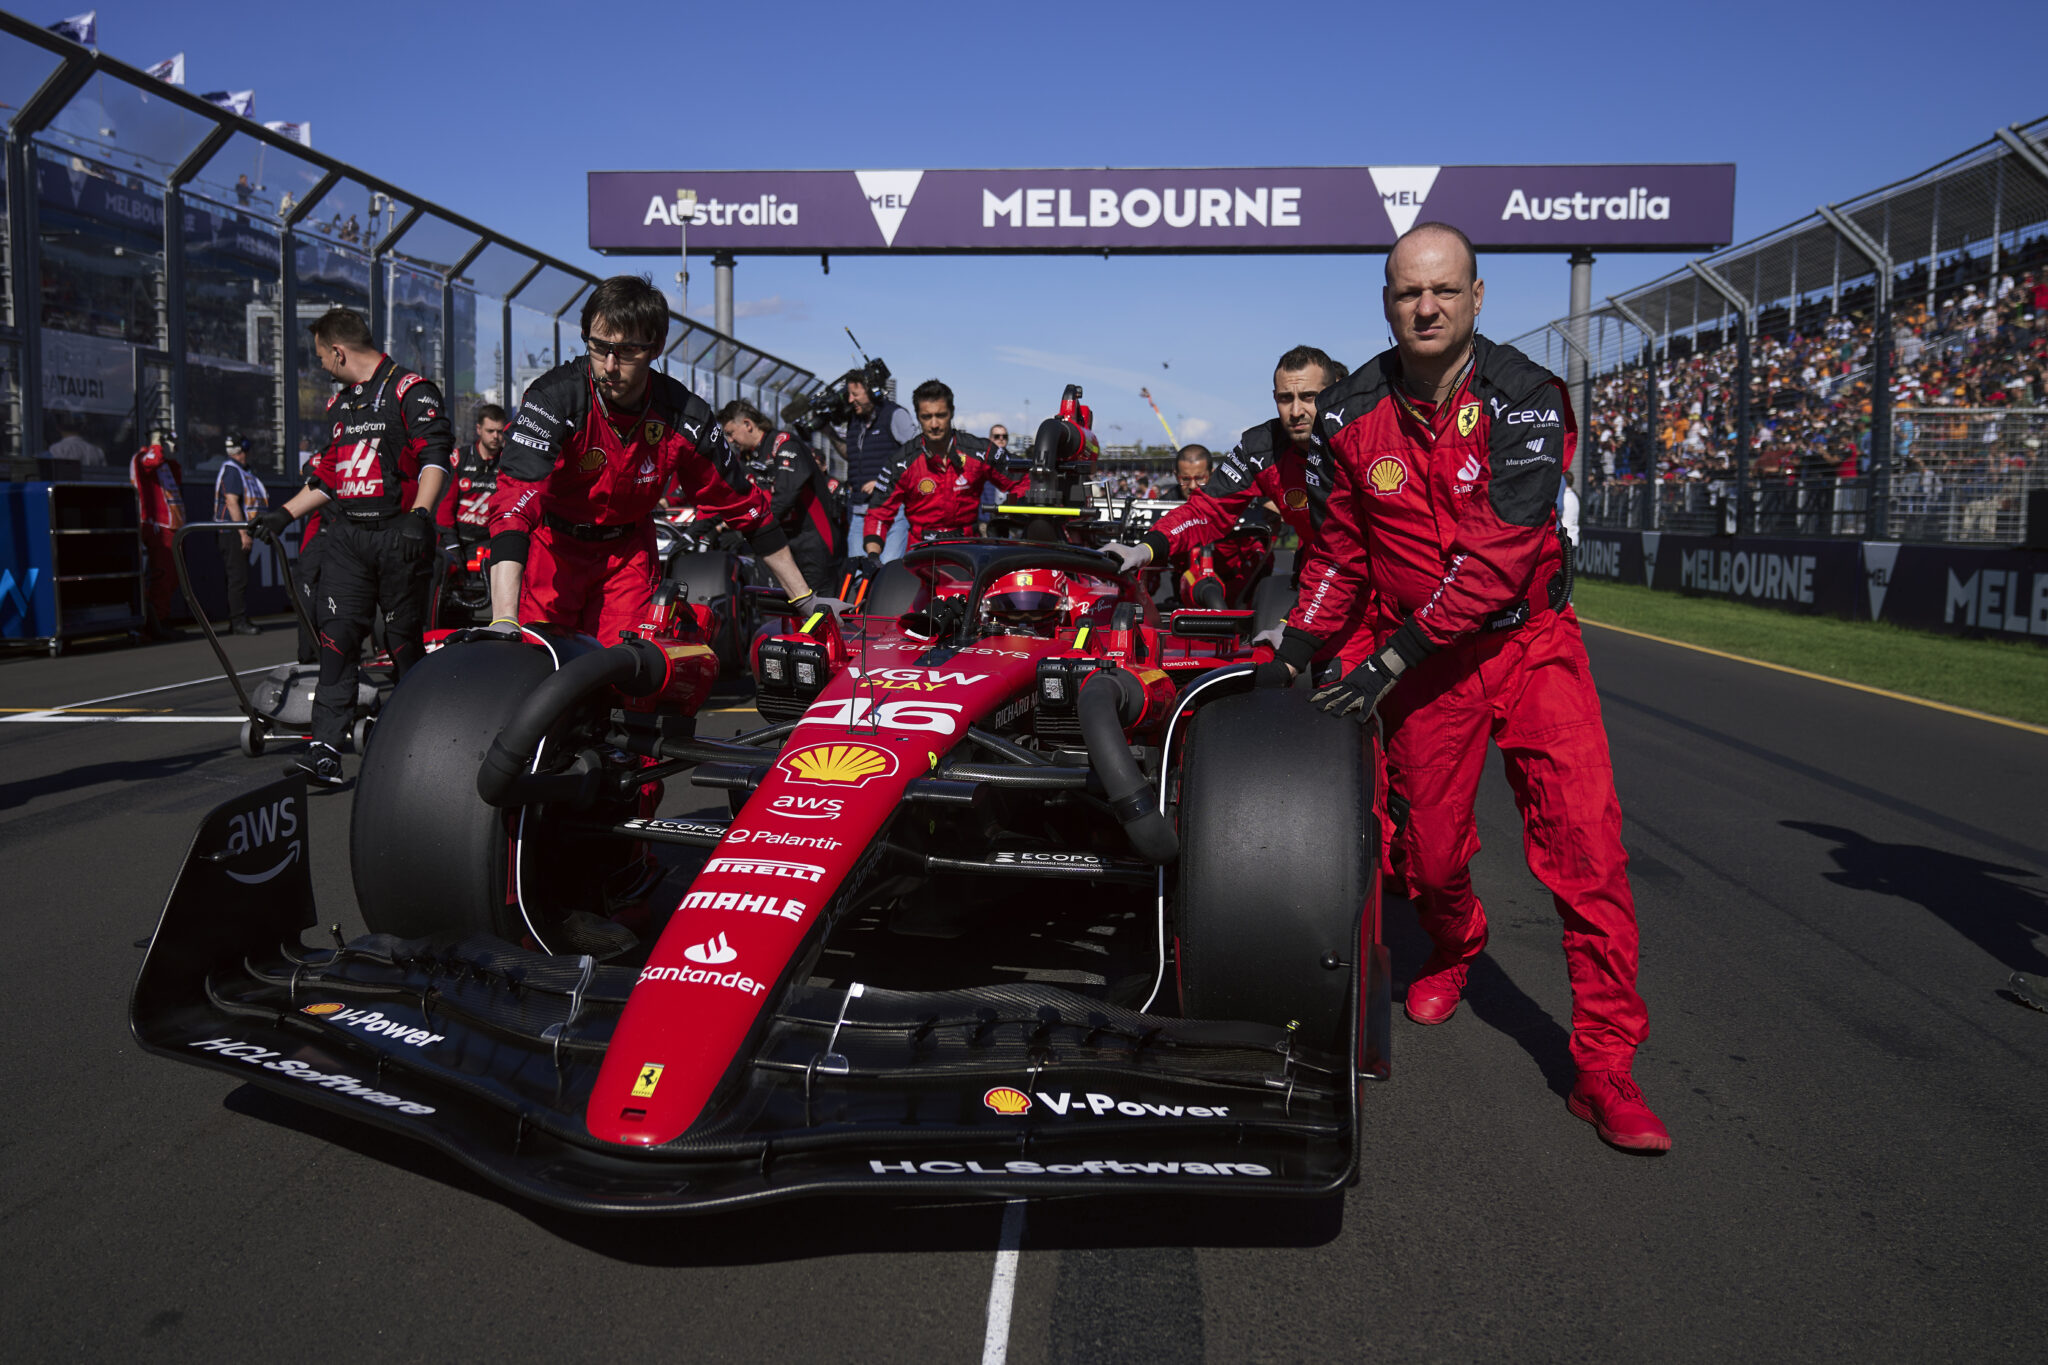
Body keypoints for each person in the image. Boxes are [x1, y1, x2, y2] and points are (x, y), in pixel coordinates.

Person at [1257, 222, 1669, 1153]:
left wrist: (1382, 663)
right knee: (1431, 863)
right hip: (1428, 674)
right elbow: (1336, 557)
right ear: (1389, 304)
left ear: (1477, 298)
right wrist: (1296, 650)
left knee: (1587, 851)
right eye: (1409, 293)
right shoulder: (1349, 414)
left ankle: (1605, 1068)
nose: (1427, 307)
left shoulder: (1528, 397)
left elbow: (1495, 562)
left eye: (1445, 290)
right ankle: (1457, 944)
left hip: (1530, 648)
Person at [485, 274, 840, 646]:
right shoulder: (553, 397)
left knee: (625, 676)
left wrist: (805, 600)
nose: (608, 365)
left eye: (626, 352)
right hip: (553, 553)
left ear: (656, 347)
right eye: (598, 346)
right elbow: (514, 502)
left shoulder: (685, 415)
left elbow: (744, 506)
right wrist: (503, 618)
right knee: (540, 668)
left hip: (627, 561)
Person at [254, 308, 451, 788]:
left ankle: (422, 741)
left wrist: (421, 516)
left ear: (338, 351)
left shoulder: (411, 391)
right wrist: (284, 514)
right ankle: (325, 751)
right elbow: (330, 475)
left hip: (400, 537)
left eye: (322, 356)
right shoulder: (340, 405)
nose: (322, 365)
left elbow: (436, 458)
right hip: (347, 540)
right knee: (336, 641)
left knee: (401, 642)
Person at [861, 379, 1029, 564]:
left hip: (967, 552)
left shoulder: (980, 451)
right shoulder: (901, 461)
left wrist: (1006, 513)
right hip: (920, 554)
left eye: (940, 415)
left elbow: (1023, 481)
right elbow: (878, 514)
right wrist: (873, 556)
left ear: (952, 413)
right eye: (926, 417)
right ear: (917, 417)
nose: (934, 424)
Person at [720, 398, 839, 594]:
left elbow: (785, 496)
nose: (730, 440)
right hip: (779, 543)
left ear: (748, 424)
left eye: (731, 433)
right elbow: (730, 495)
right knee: (778, 614)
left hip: (813, 542)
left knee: (819, 613)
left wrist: (751, 531)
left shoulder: (784, 444)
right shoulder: (745, 458)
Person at [833, 372, 917, 563]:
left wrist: (884, 481)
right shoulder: (855, 420)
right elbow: (851, 454)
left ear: (872, 392)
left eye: (855, 394)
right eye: (849, 394)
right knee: (856, 573)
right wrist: (829, 434)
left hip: (892, 512)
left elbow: (917, 454)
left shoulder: (895, 415)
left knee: (887, 570)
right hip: (859, 510)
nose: (850, 399)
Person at [129, 431, 187, 640]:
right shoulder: (142, 457)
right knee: (161, 576)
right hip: (157, 527)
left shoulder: (167, 465)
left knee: (171, 577)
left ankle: (161, 620)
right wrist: (156, 445)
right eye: (166, 443)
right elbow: (150, 462)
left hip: (172, 526)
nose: (170, 447)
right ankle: (154, 624)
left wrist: (170, 454)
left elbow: (175, 475)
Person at [212, 434, 267, 635]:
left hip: (233, 530)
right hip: (232, 531)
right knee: (238, 578)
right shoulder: (232, 471)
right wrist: (243, 532)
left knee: (238, 577)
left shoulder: (238, 470)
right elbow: (232, 502)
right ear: (242, 451)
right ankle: (238, 621)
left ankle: (237, 618)